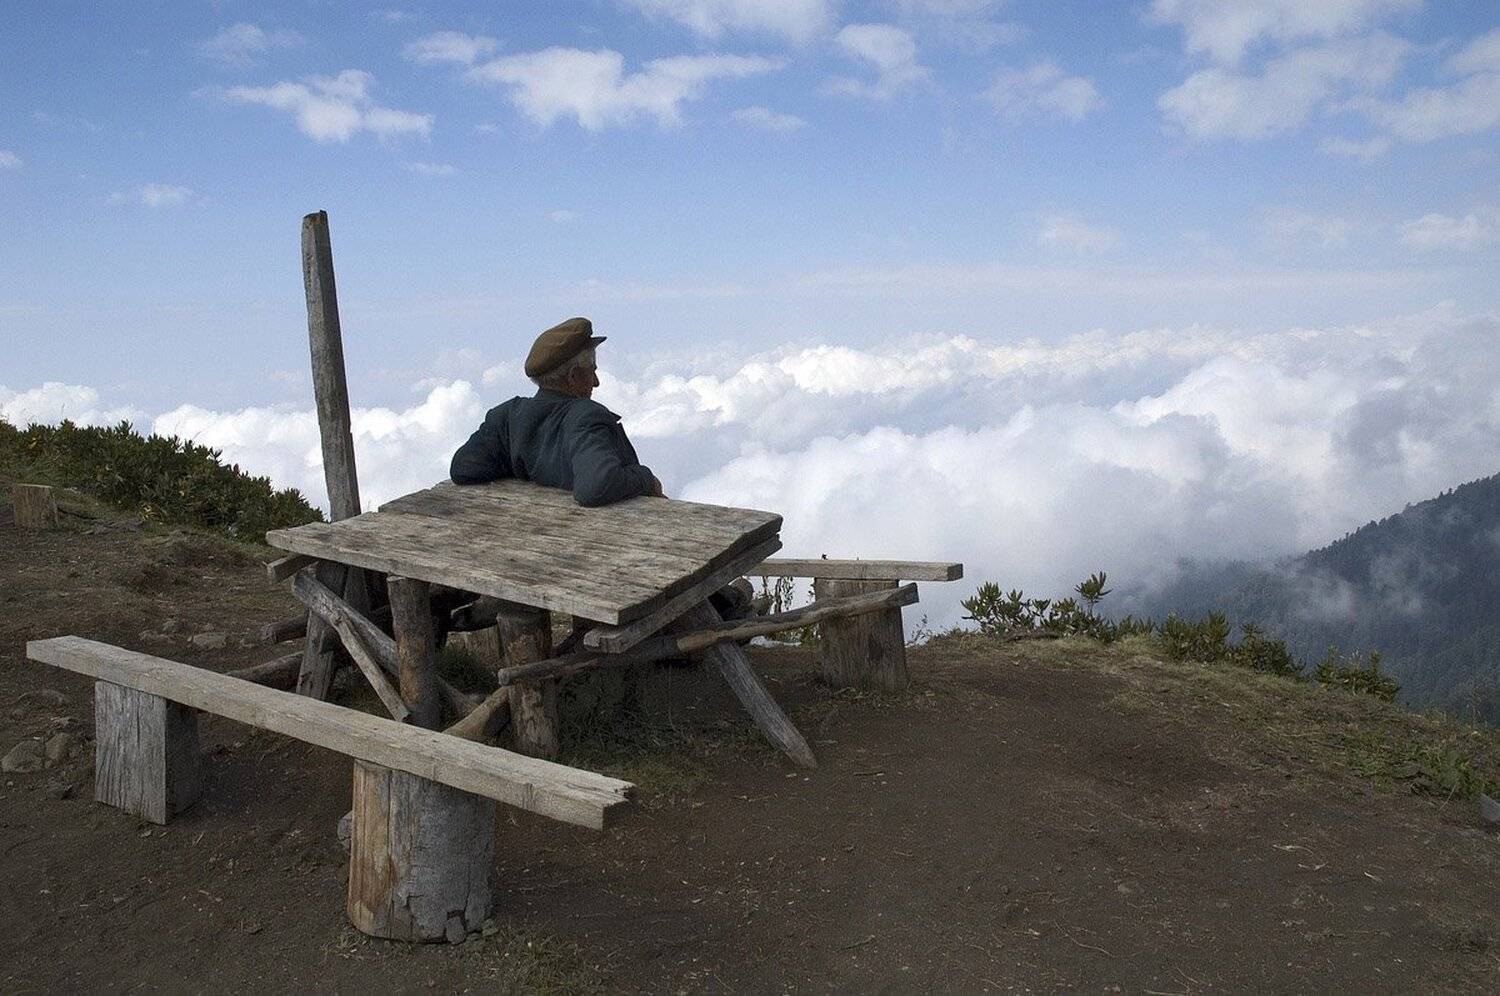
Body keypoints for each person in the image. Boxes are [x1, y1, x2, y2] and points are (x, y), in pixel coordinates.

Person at [449, 317, 664, 506]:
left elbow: (464, 468)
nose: (596, 383)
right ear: (573, 377)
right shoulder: (587, 416)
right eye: (592, 372)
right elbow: (595, 488)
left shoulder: (507, 414)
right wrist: (646, 479)